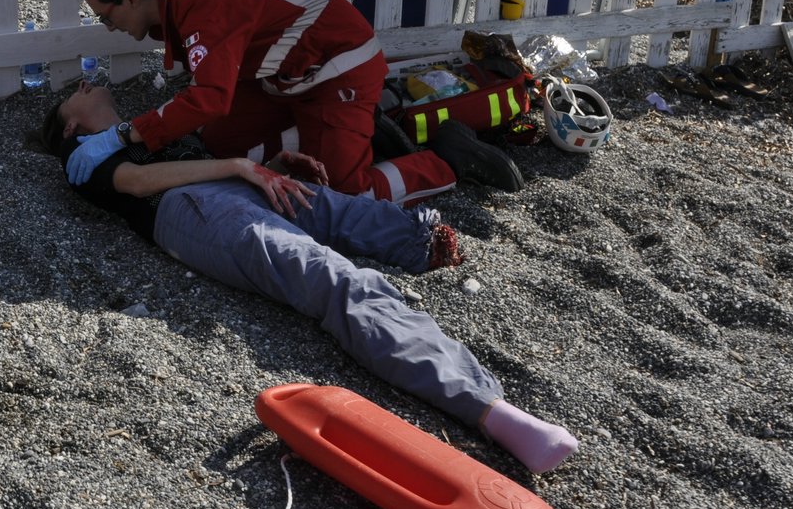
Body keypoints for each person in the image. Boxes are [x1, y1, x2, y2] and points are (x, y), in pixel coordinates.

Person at [40, 81, 579, 474]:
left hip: (227, 188)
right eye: (74, 91)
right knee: (329, 276)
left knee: (341, 211)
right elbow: (135, 183)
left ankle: (424, 243)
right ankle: (488, 410)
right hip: (187, 210)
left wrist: (266, 164)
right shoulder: (82, 154)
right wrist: (239, 167)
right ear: (68, 123)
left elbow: (201, 162)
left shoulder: (139, 128)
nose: (87, 83)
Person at [68, 0, 522, 203]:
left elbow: (210, 97)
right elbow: (213, 98)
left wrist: (124, 135)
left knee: (346, 196)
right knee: (220, 140)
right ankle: (359, 133)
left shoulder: (201, 7)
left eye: (106, 17)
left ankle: (445, 159)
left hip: (339, 70)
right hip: (291, 76)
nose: (110, 27)